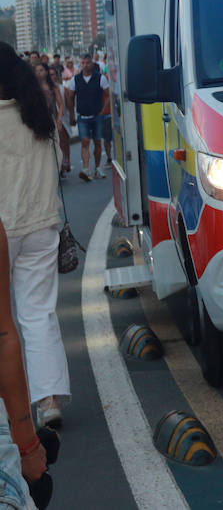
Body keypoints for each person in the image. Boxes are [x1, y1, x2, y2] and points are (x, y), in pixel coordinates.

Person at [0, 42, 72, 440]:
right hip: (41, 225)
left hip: (1, 229)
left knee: (1, 323)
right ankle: (49, 403)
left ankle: (7, 412)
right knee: (38, 315)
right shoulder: (37, 116)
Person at [64, 54, 108, 181]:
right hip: (82, 116)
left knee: (98, 142)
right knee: (85, 141)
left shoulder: (100, 78)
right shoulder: (75, 80)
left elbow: (108, 95)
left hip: (97, 116)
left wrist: (103, 111)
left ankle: (98, 168)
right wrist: (72, 115)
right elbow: (70, 98)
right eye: (82, 63)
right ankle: (86, 168)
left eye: (87, 63)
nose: (85, 65)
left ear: (92, 64)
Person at [31, 63, 69, 179]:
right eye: (37, 71)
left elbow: (61, 104)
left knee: (57, 144)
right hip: (40, 120)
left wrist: (59, 119)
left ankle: (60, 167)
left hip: (53, 119)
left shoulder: (53, 87)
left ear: (46, 72)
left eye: (41, 70)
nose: (39, 73)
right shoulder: (33, 88)